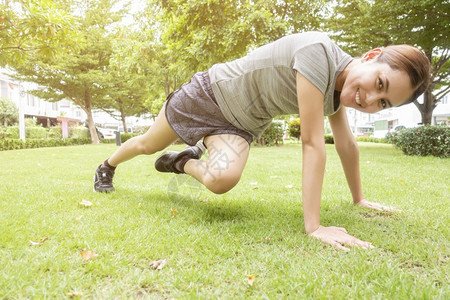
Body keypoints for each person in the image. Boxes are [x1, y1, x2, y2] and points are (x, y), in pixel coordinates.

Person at [93, 31, 430, 251]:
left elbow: (346, 144)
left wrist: (360, 200)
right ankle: (106, 167)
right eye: (380, 84)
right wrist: (314, 227)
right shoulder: (318, 53)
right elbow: (313, 143)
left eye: (382, 103)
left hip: (237, 127)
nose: (369, 99)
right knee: (147, 144)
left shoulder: (336, 95)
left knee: (222, 180)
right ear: (372, 56)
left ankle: (182, 161)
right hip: (206, 96)